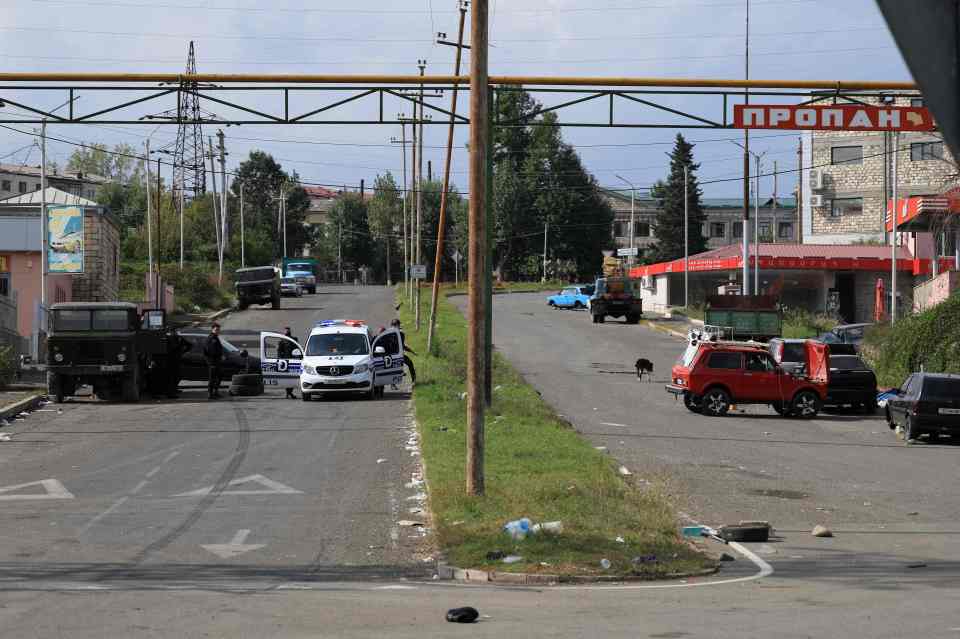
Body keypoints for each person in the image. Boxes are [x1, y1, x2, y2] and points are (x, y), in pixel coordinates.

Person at [390, 318, 416, 386]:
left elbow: (402, 346)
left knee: (409, 363)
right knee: (407, 364)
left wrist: (411, 351)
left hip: (396, 355)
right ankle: (393, 382)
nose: (398, 327)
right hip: (394, 356)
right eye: (398, 325)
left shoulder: (399, 334)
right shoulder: (395, 334)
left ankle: (413, 380)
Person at [276, 326, 299, 399]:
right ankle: (288, 393)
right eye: (285, 330)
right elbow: (279, 352)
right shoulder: (282, 341)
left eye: (288, 330)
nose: (287, 332)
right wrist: (280, 360)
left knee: (293, 377)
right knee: (287, 378)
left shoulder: (294, 339)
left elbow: (297, 349)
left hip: (293, 360)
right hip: (285, 361)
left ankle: (289, 393)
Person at [203, 323, 224, 400]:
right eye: (216, 330)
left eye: (218, 330)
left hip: (217, 361)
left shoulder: (215, 337)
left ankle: (215, 392)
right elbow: (209, 352)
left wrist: (221, 356)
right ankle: (210, 393)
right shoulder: (211, 338)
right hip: (212, 362)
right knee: (212, 378)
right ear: (212, 329)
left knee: (219, 377)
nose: (218, 331)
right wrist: (211, 363)